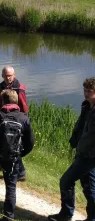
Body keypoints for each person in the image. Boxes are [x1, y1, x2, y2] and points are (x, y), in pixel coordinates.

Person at [0, 89, 35, 220]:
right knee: (11, 186)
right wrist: (20, 153)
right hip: (13, 158)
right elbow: (30, 142)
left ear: (3, 101)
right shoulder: (23, 118)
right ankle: (8, 215)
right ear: (16, 102)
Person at [48, 78, 95, 221]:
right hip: (83, 152)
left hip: (89, 155)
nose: (86, 94)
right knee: (89, 189)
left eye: (90, 91)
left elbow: (91, 137)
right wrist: (75, 140)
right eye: (85, 90)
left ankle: (66, 214)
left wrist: (82, 149)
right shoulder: (87, 106)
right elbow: (81, 126)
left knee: (66, 181)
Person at [0, 66, 29, 182]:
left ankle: (20, 172)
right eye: (6, 76)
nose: (8, 78)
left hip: (16, 121)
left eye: (10, 76)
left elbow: (24, 108)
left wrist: (23, 122)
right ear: (2, 76)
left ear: (14, 75)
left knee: (14, 145)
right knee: (5, 143)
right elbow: (0, 101)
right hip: (5, 117)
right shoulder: (2, 86)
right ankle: (9, 168)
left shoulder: (19, 88)